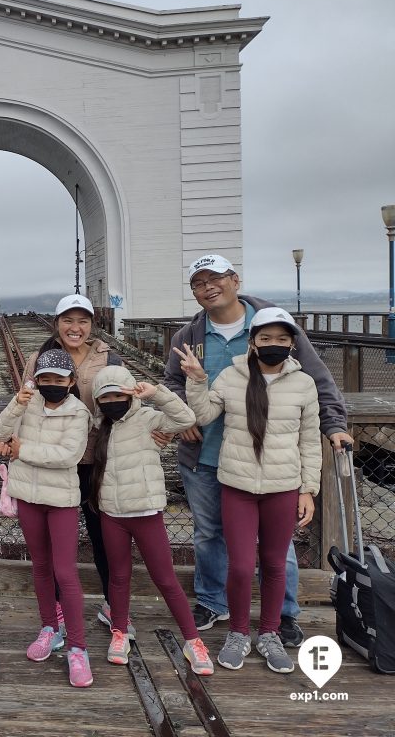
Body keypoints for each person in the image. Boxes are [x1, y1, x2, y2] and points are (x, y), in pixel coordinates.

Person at [164, 254, 352, 645]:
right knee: (209, 534)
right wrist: (184, 420)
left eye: (215, 278)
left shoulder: (275, 325)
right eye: (198, 282)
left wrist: (334, 425)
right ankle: (214, 603)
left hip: (268, 462)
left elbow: (316, 380)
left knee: (276, 547)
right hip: (206, 455)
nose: (208, 287)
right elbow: (172, 385)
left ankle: (282, 614)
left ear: (234, 279)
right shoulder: (187, 336)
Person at [175, 307, 322, 673]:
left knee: (274, 564)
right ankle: (239, 632)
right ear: (253, 341)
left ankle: (269, 632)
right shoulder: (232, 375)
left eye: (282, 339)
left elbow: (309, 441)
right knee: (240, 566)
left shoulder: (303, 384)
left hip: (283, 487)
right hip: (237, 485)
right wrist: (196, 379)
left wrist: (308, 489)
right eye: (266, 338)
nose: (274, 345)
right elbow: (205, 415)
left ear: (292, 344)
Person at [0, 293, 127, 654]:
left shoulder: (108, 357)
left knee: (105, 538)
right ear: (57, 324)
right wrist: (10, 438)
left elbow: (126, 400)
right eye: (68, 321)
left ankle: (113, 607)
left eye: (82, 321)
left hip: (97, 458)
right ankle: (53, 615)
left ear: (92, 324)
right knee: (51, 551)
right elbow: (25, 401)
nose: (75, 328)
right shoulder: (41, 358)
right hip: (53, 468)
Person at [87, 366, 213, 676]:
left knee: (166, 579)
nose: (113, 401)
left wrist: (156, 393)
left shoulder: (148, 419)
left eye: (119, 394)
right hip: (112, 514)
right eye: (106, 397)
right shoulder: (99, 425)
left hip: (146, 513)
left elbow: (186, 419)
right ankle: (119, 631)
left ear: (130, 394)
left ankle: (192, 640)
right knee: (118, 576)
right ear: (98, 402)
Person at [0, 348, 94, 687]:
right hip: (28, 496)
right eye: (44, 378)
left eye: (58, 379)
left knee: (65, 571)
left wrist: (22, 452)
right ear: (36, 380)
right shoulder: (28, 403)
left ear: (71, 382)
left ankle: (78, 647)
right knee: (40, 566)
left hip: (61, 500)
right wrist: (17, 403)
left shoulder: (79, 412)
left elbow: (68, 456)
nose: (51, 384)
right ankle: (50, 627)